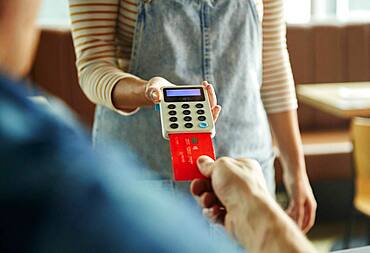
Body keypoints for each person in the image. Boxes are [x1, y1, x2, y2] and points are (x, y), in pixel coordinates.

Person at [0, 1, 319, 252]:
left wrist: (295, 168)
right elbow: (93, 64)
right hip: (142, 170)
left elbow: (273, 58)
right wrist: (146, 90)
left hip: (247, 162)